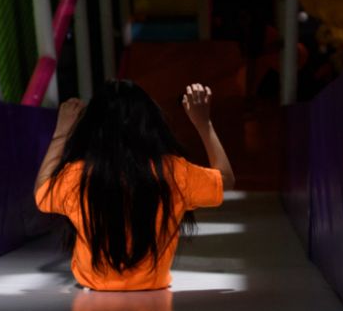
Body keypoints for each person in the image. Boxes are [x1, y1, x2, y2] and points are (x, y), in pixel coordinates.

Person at [34, 80, 234, 291]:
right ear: (150, 123)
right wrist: (204, 123)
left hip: (92, 289)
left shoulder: (78, 175)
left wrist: (62, 131)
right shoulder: (174, 172)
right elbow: (226, 179)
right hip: (154, 286)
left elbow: (42, 192)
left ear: (93, 127)